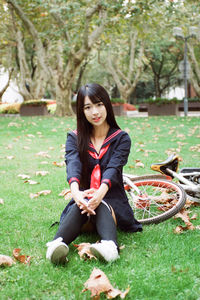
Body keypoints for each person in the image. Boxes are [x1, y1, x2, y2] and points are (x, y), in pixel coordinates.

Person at [46, 83, 142, 264]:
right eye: (87, 107)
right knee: (83, 203)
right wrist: (76, 194)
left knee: (99, 202)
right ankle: (56, 245)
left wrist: (99, 193)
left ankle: (110, 247)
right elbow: (72, 163)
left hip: (112, 200)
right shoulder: (74, 138)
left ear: (107, 104)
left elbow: (113, 169)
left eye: (99, 104)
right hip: (83, 202)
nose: (95, 112)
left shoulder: (121, 138)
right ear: (81, 111)